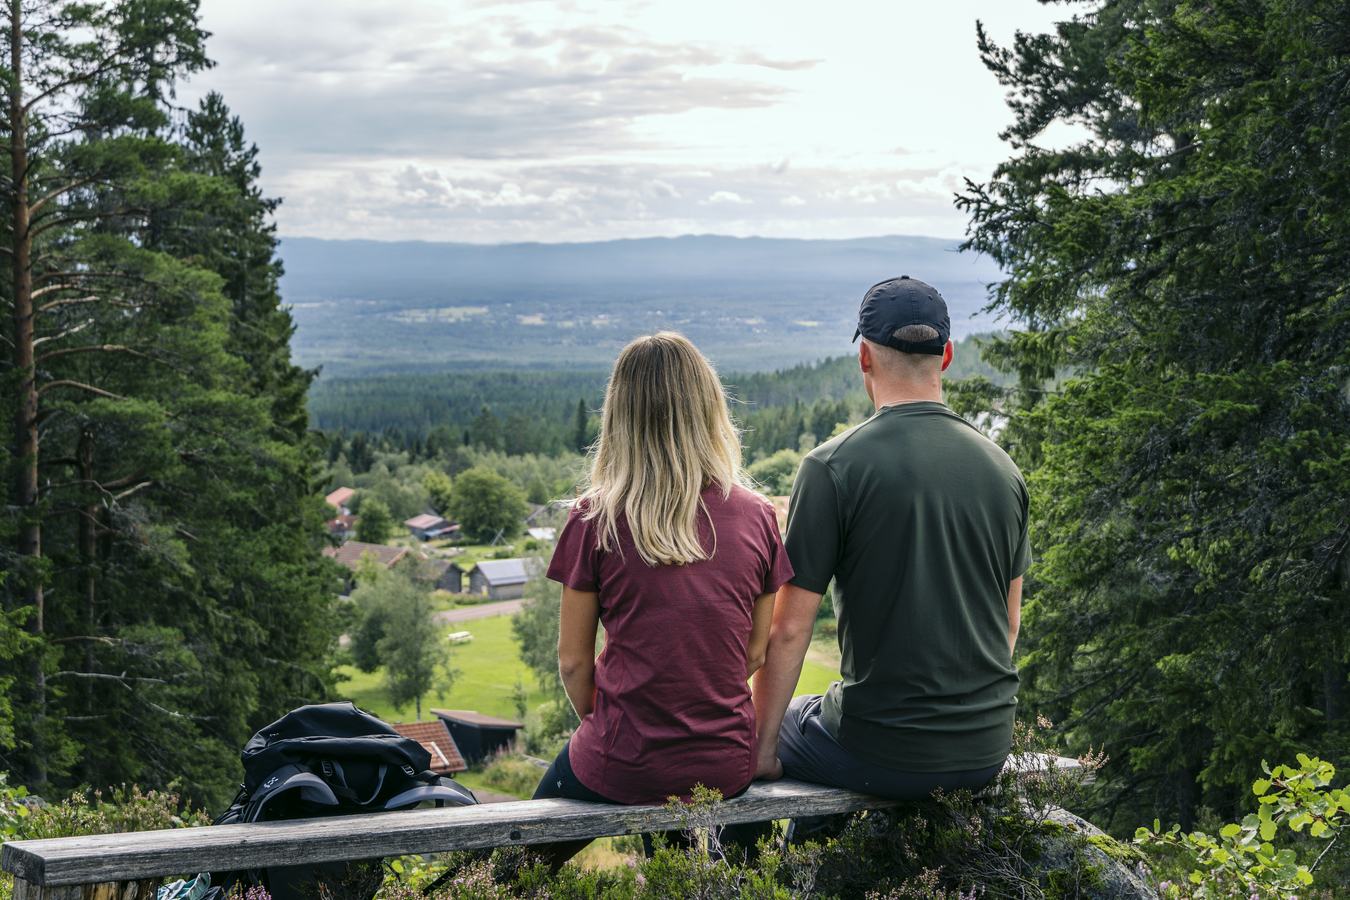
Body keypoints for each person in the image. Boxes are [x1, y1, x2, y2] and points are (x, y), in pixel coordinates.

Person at [751, 276, 1030, 803]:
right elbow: (1009, 624)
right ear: (945, 356)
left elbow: (789, 631)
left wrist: (762, 751)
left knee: (764, 728)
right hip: (986, 751)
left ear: (864, 357)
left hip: (881, 749)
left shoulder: (831, 467)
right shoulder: (1004, 469)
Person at [531, 331, 793, 867]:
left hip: (622, 757)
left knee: (514, 865)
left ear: (618, 416)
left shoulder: (594, 518)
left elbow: (573, 662)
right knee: (726, 877)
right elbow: (755, 653)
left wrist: (610, 728)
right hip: (725, 764)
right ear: (709, 408)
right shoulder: (758, 515)